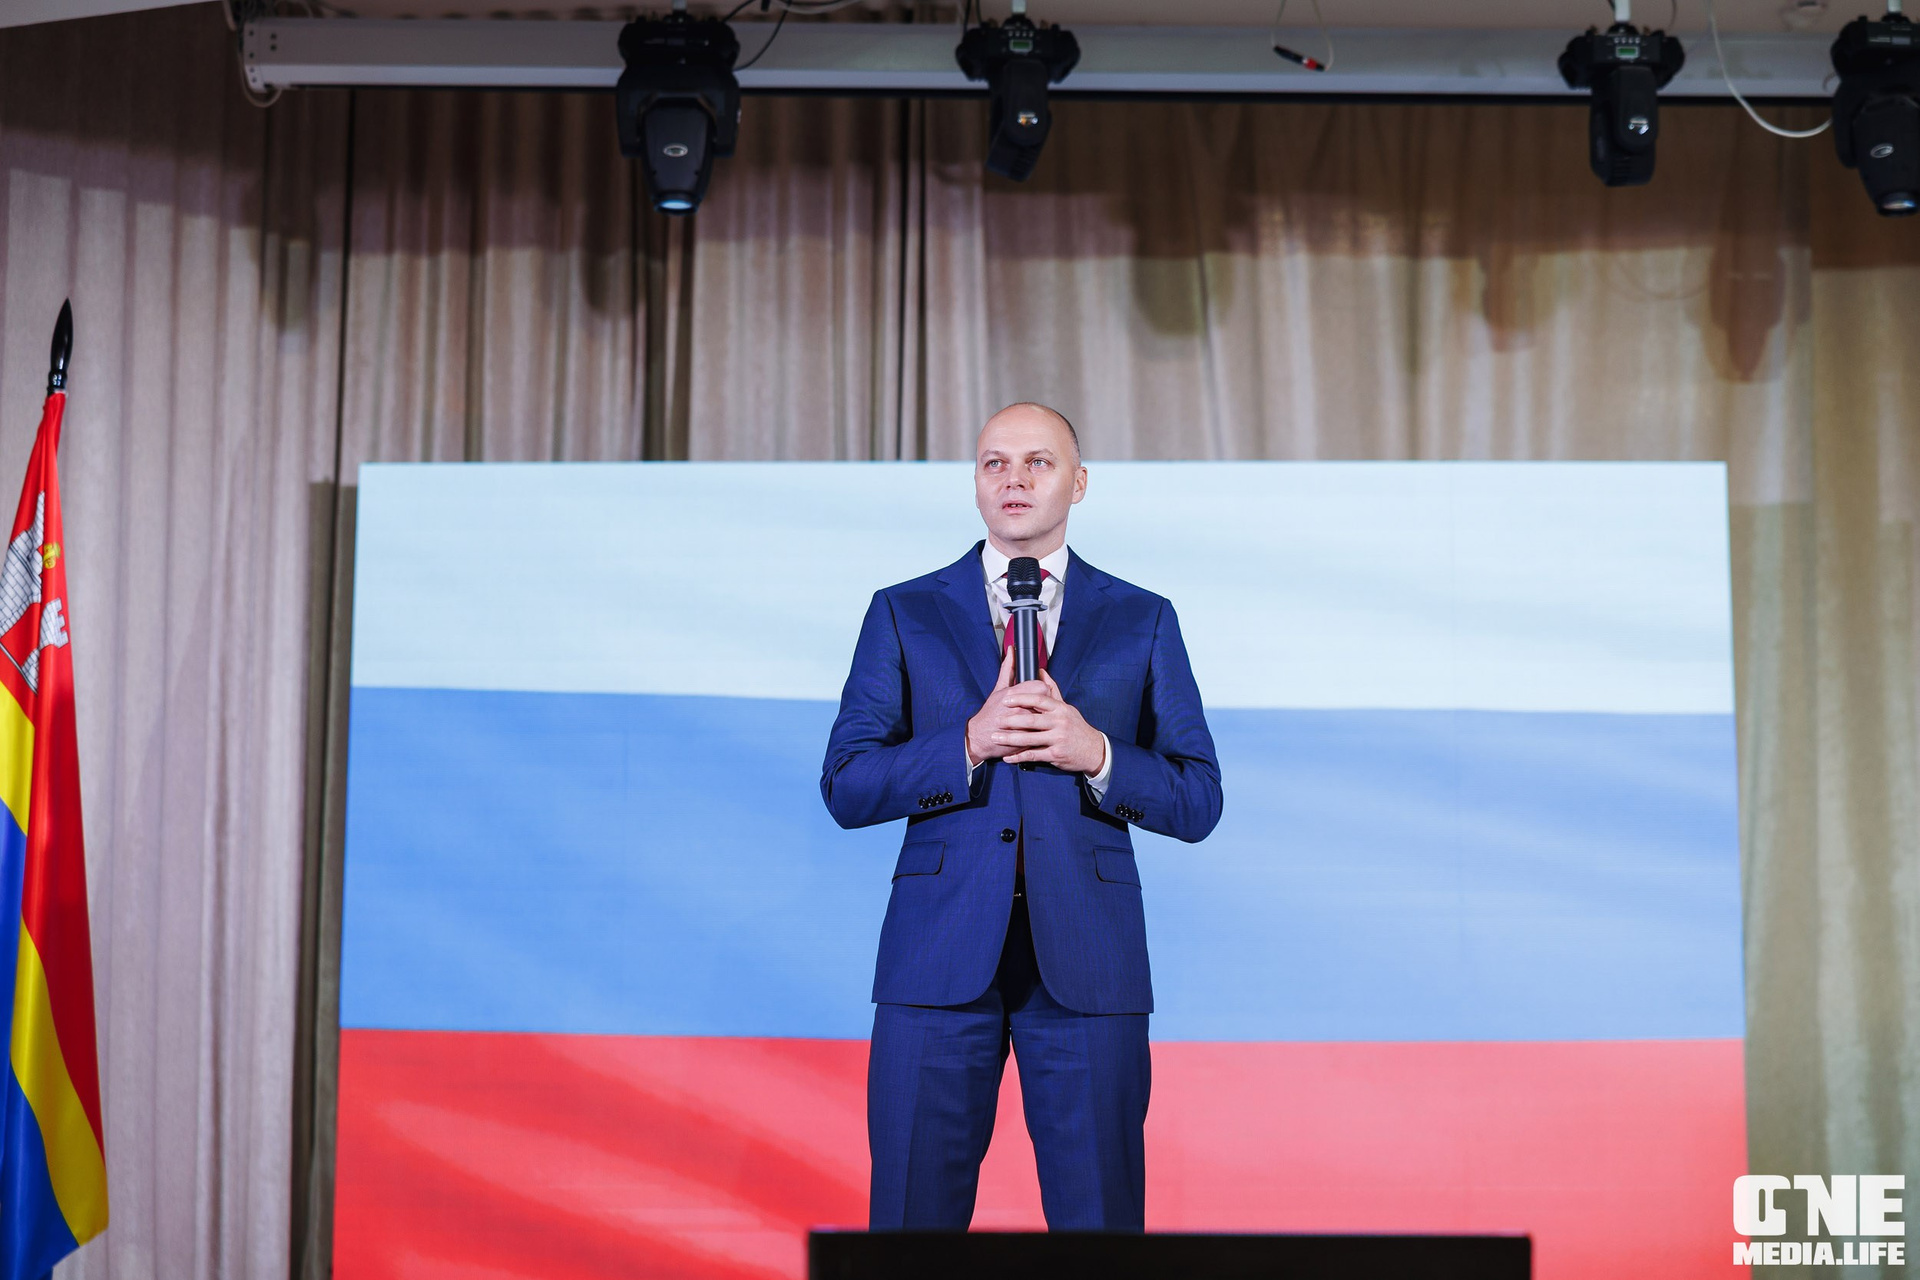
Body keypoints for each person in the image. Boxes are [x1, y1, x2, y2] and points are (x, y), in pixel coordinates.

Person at [820, 402, 1223, 1231]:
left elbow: (1197, 798)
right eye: (994, 463)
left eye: (1038, 462)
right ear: (975, 484)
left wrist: (1095, 752)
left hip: (1089, 964)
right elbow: (848, 784)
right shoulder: (904, 611)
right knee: (909, 1229)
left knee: (1099, 1228)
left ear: (1079, 483)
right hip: (936, 960)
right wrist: (967, 742)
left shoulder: (1142, 617)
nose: (1014, 479)